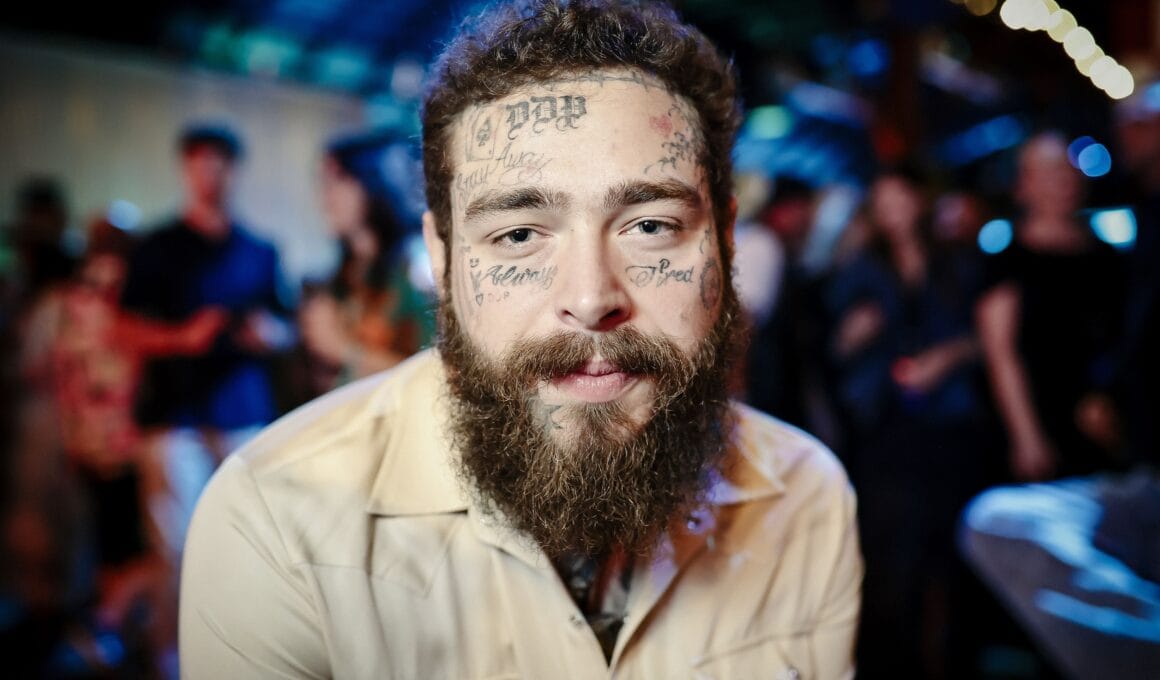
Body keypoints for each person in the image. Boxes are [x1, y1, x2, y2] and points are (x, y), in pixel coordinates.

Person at [180, 2, 862, 678]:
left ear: (725, 239)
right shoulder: (279, 528)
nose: (590, 299)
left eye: (651, 226)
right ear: (442, 258)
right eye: (517, 235)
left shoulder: (804, 503)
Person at [120, 123, 295, 676]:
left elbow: (287, 326)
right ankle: (171, 660)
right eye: (200, 164)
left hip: (243, 414)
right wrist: (181, 338)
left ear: (233, 171)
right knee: (174, 548)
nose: (210, 176)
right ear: (186, 170)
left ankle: (240, 657)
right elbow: (123, 328)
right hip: (175, 420)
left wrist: (269, 334)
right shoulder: (156, 247)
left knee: (247, 543)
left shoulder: (259, 250)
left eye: (220, 165)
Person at [296, 130, 435, 397]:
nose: (326, 198)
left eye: (338, 181)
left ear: (371, 182)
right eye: (323, 184)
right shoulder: (344, 276)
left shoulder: (417, 267)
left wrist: (342, 348)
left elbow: (436, 374)